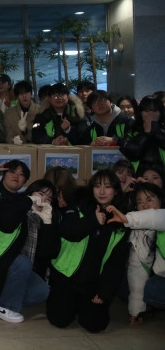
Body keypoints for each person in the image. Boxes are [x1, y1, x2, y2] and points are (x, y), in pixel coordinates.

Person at [46, 169, 129, 333]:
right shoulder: (78, 207)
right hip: (66, 277)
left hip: (93, 283)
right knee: (60, 320)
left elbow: (116, 264)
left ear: (116, 190)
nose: (102, 191)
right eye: (98, 186)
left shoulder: (121, 223)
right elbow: (69, 232)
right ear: (92, 189)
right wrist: (93, 221)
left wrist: (105, 292)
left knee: (96, 325)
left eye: (107, 186)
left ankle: (81, 305)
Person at [0, 179, 59, 323]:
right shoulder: (13, 204)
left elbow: (50, 252)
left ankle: (5, 295)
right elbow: (4, 220)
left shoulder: (43, 218)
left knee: (42, 291)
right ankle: (3, 306)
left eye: (49, 198)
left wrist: (48, 223)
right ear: (31, 193)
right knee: (23, 261)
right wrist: (26, 202)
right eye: (40, 194)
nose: (43, 199)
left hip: (20, 271)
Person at [106, 182, 165, 325]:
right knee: (135, 288)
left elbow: (155, 217)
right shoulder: (138, 233)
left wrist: (128, 219)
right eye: (139, 202)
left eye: (150, 199)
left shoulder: (161, 216)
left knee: (152, 290)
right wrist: (136, 311)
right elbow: (137, 272)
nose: (144, 205)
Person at [120, 95, 165, 171]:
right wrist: (146, 133)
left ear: (160, 113)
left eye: (155, 111)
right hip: (138, 176)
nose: (150, 115)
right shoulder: (132, 131)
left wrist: (155, 131)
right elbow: (131, 153)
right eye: (147, 111)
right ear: (141, 113)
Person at [3, 81, 42, 145]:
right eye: (21, 94)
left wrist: (25, 131)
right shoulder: (9, 114)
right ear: (17, 96)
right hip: (17, 151)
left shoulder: (40, 111)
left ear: (31, 93)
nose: (24, 96)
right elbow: (8, 136)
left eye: (26, 92)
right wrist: (13, 140)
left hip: (37, 149)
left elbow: (42, 135)